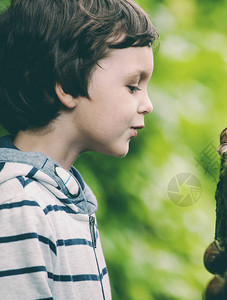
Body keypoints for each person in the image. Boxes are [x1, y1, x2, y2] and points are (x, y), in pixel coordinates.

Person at [0, 0, 158, 298]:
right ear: (68, 86)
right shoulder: (19, 205)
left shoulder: (64, 196)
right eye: (133, 86)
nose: (147, 105)